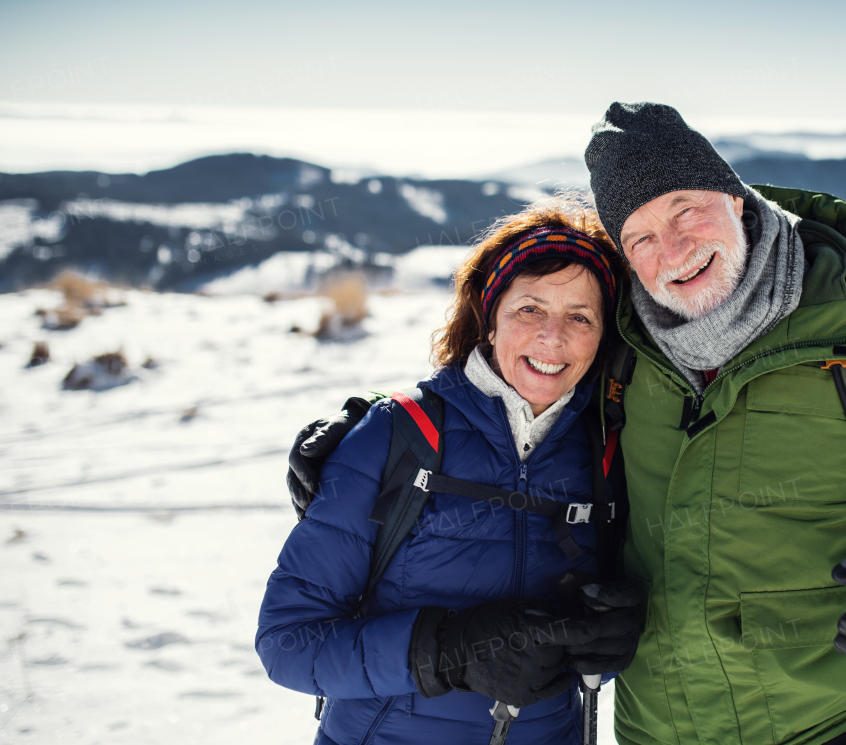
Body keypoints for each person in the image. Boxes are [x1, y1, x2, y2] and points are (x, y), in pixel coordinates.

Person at [290, 103, 846, 745]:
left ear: (736, 197)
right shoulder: (621, 345)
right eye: (638, 237)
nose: (671, 252)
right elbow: (520, 395)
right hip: (656, 728)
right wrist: (368, 440)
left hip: (838, 720)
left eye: (685, 210)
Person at [257, 198, 644, 744]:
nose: (552, 337)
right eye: (529, 309)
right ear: (489, 319)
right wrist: (450, 653)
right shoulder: (395, 437)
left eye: (580, 317)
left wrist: (609, 640)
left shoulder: (610, 453)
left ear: (603, 336)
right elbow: (288, 643)